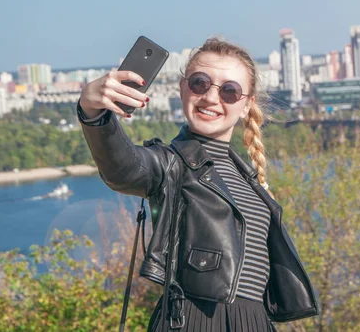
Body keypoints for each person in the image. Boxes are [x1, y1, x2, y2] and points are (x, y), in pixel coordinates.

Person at [77, 37, 319, 331]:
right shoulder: (169, 164)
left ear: (246, 105)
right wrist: (93, 112)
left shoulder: (248, 180)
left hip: (254, 322)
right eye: (200, 83)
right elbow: (123, 169)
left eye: (230, 91)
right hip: (194, 320)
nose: (211, 98)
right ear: (182, 89)